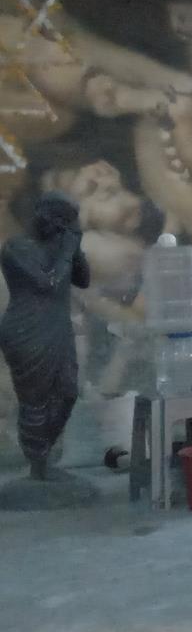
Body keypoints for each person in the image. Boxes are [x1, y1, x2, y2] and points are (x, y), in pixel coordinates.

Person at [0, 193, 90, 480]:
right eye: (61, 220)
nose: (64, 227)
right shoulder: (17, 247)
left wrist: (76, 249)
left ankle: (42, 453)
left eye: (69, 222)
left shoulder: (59, 247)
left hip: (58, 328)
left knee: (68, 392)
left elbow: (83, 280)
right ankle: (37, 464)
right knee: (35, 401)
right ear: (45, 217)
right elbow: (47, 283)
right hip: (27, 330)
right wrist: (66, 250)